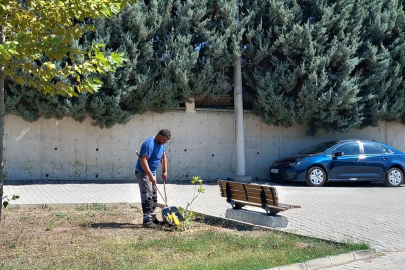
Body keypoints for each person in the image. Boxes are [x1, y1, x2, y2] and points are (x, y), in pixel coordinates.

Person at [135, 129, 171, 228]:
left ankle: (152, 218)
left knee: (154, 194)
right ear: (159, 136)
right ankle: (146, 220)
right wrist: (150, 176)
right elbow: (143, 161)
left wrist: (164, 171)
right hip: (143, 172)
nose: (165, 142)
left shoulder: (161, 144)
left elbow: (163, 157)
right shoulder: (149, 144)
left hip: (152, 172)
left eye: (166, 141)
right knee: (147, 194)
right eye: (164, 140)